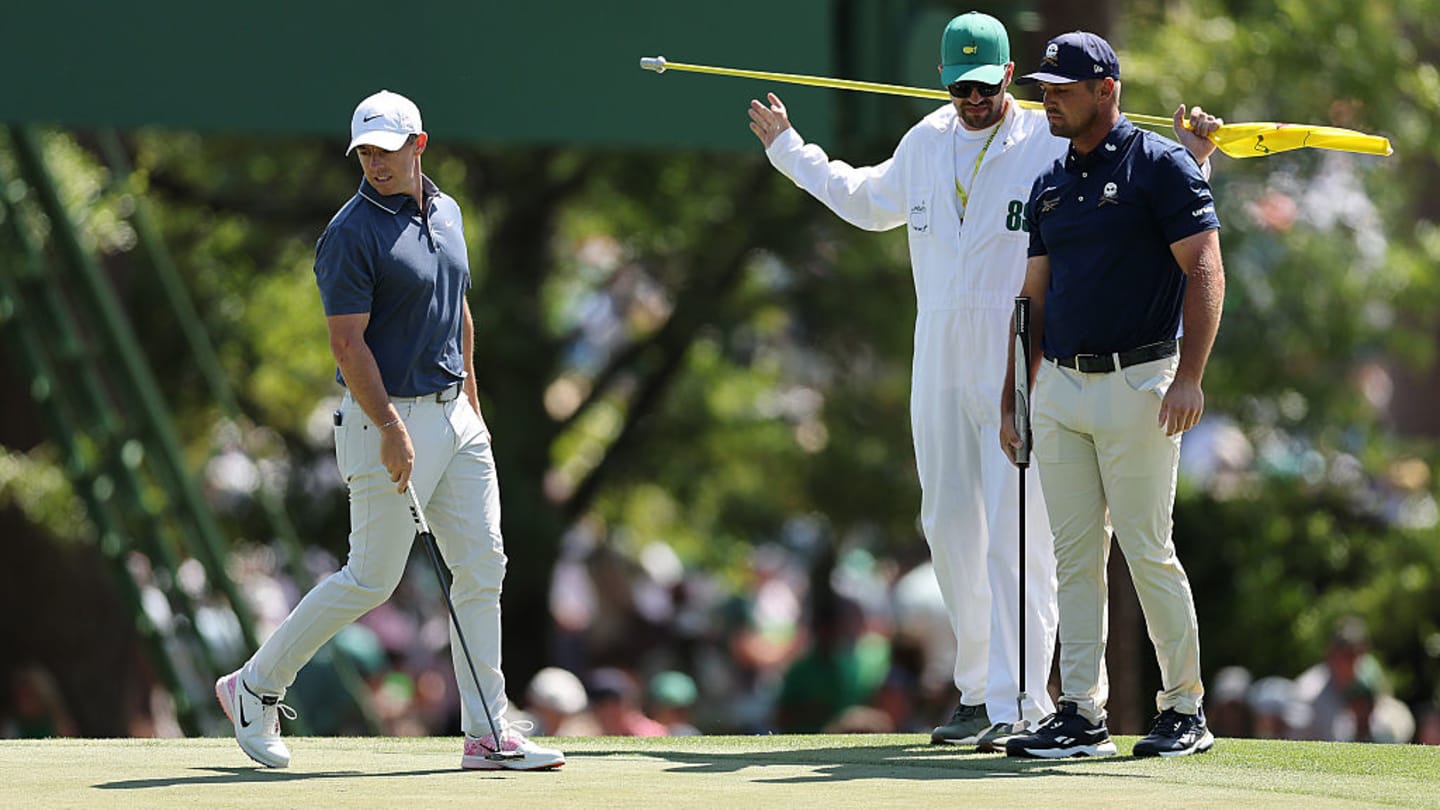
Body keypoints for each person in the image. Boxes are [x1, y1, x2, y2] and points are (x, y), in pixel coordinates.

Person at [748, 11, 1221, 750]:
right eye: (957, 86)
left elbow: (1139, 208)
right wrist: (789, 151)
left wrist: (1192, 160)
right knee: (947, 524)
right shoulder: (927, 140)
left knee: (1022, 533)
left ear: (1008, 76)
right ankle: (977, 691)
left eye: (982, 84)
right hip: (937, 347)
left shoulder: (1048, 137)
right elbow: (865, 199)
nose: (970, 99)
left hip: (1023, 353)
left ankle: (1026, 698)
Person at [215, 89, 564, 771]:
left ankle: (488, 731)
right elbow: (348, 345)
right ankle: (253, 686)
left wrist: (471, 399)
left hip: (455, 417)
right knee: (371, 578)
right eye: (365, 151)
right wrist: (392, 427)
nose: (376, 161)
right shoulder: (350, 232)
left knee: (483, 565)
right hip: (385, 420)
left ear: (419, 145)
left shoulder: (450, 212)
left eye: (387, 148)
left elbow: (457, 308)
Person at [999, 31, 1224, 759]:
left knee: (1146, 548)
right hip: (1060, 385)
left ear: (1108, 89)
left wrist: (1190, 375)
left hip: (1141, 383)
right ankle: (1081, 714)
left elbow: (1205, 270)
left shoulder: (1160, 166)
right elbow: (1032, 297)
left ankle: (1184, 707)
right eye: (1044, 88)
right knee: (1073, 556)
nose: (1048, 99)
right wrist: (1015, 396)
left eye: (1063, 88)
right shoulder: (1050, 185)